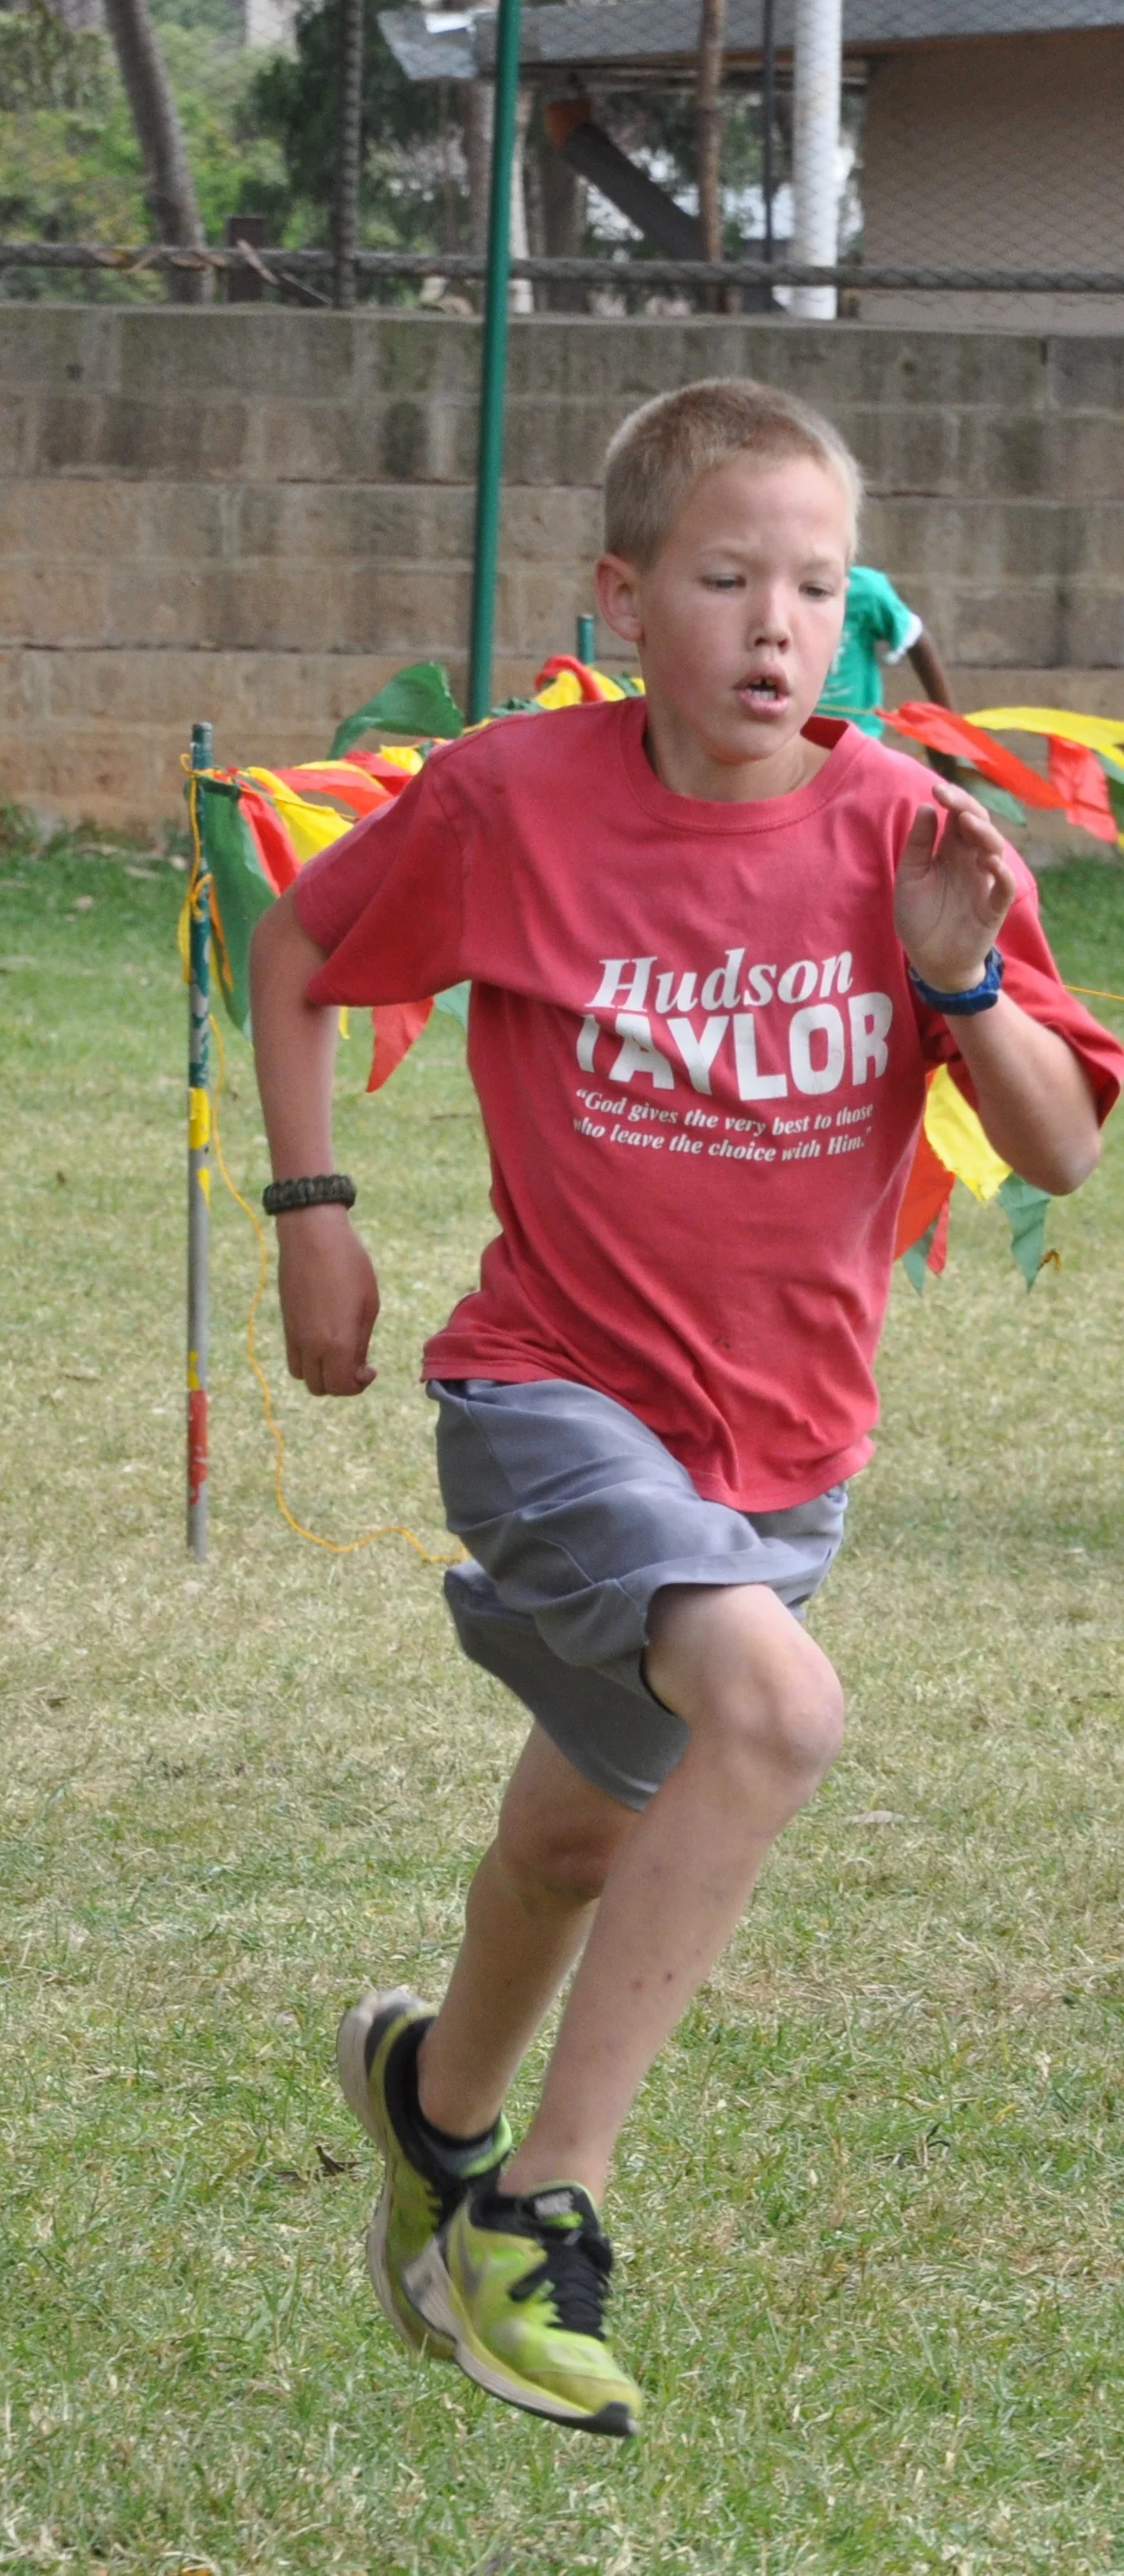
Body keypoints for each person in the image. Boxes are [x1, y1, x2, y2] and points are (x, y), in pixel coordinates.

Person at [247, 378, 1122, 2437]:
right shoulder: (511, 798)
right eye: (727, 577)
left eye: (816, 585)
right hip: (549, 1391)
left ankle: (430, 2099)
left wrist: (961, 982)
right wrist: (313, 1216)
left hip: (783, 1452)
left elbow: (1067, 1145)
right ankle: (539, 2213)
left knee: (572, 1827)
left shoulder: (914, 831)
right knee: (778, 1713)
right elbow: (298, 946)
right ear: (620, 596)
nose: (773, 625)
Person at [817, 560, 954, 739]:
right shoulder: (777, 593)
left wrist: (947, 729)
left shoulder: (864, 591)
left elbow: (917, 638)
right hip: (788, 744)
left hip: (858, 739)